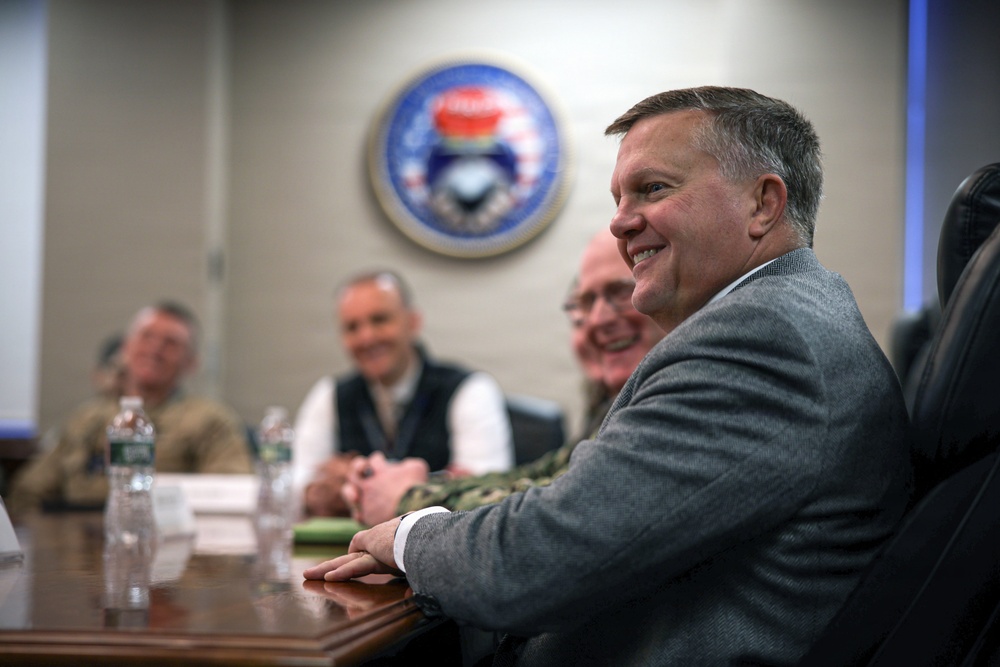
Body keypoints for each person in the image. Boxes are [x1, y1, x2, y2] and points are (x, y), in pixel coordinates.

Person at [303, 86, 913, 666]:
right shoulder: (783, 319)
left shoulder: (761, 339)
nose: (622, 223)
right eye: (620, 198)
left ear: (763, 203)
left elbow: (538, 560)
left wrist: (409, 535)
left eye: (652, 189)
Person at [341, 231, 664, 526]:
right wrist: (415, 485)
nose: (596, 321)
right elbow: (542, 478)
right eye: (584, 304)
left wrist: (406, 496)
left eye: (621, 292)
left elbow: (559, 512)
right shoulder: (610, 401)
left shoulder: (670, 396)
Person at [293, 269, 514, 518]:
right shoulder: (328, 394)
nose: (366, 337)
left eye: (379, 320)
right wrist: (317, 490)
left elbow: (487, 490)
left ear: (413, 322)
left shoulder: (470, 390)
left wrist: (376, 485)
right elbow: (296, 484)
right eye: (352, 327)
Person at [7, 301, 253, 516]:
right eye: (146, 337)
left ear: (191, 362)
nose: (155, 349)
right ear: (126, 348)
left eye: (171, 343)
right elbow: (29, 492)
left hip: (161, 543)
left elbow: (232, 491)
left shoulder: (208, 420)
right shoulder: (86, 418)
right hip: (74, 543)